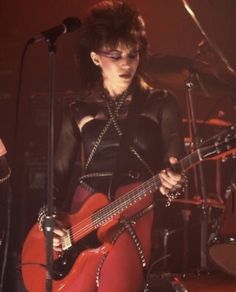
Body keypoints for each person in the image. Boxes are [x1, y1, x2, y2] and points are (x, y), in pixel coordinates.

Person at [41, 1, 185, 291]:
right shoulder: (78, 109)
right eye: (115, 55)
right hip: (83, 211)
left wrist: (174, 181)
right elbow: (58, 169)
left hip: (135, 206)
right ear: (95, 58)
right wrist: (48, 216)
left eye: (132, 55)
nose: (126, 63)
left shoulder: (161, 103)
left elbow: (175, 160)